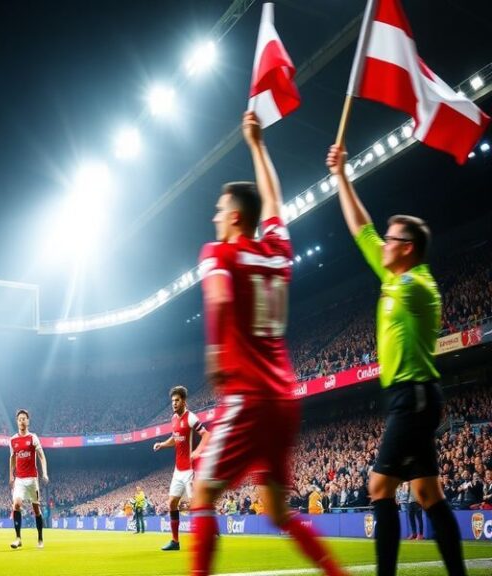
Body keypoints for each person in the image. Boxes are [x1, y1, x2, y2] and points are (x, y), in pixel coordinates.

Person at [190, 111, 346, 576]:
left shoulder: (220, 254)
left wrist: (215, 350)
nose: (215, 217)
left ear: (235, 216)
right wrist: (258, 146)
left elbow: (217, 298)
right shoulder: (277, 252)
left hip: (249, 395)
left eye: (220, 210)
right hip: (284, 397)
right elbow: (275, 202)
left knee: (202, 494)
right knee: (277, 511)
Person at [327, 143, 466, 576]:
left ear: (407, 249)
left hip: (414, 396)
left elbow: (377, 243)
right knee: (427, 493)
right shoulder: (395, 274)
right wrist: (342, 178)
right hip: (408, 397)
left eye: (391, 239)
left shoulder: (419, 288)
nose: (383, 243)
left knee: (379, 487)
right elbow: (362, 229)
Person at [153, 385, 210, 550]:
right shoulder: (173, 419)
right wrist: (162, 444)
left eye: (177, 400)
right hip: (178, 470)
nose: (174, 403)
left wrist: (198, 451)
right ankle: (175, 542)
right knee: (172, 503)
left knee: (194, 505)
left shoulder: (191, 418)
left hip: (190, 469)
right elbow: (175, 438)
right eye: (172, 401)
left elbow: (206, 434)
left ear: (184, 401)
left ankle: (207, 534)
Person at [9, 409, 49, 549]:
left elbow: (41, 456)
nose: (22, 421)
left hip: (32, 479)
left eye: (24, 418)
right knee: (16, 504)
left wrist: (44, 473)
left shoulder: (33, 438)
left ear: (28, 421)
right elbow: (12, 458)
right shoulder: (13, 440)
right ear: (17, 421)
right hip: (19, 479)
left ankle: (40, 538)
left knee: (36, 509)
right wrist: (11, 475)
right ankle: (18, 538)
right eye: (19, 419)